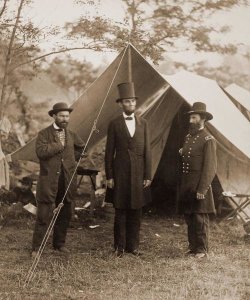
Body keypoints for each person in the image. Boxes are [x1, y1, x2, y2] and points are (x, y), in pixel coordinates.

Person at [105, 82, 152, 258]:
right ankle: (119, 247)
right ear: (120, 104)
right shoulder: (114, 124)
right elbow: (109, 152)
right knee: (121, 211)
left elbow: (148, 150)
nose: (131, 104)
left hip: (139, 173)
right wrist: (109, 175)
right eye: (127, 101)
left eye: (133, 101)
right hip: (120, 173)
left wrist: (148, 174)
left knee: (136, 211)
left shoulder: (144, 123)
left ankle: (134, 247)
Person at [31, 102, 85, 257]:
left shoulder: (72, 134)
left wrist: (72, 160)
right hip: (49, 181)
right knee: (44, 213)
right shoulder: (44, 134)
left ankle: (59, 244)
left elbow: (82, 148)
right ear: (54, 116)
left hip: (67, 179)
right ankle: (37, 247)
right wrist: (58, 145)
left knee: (65, 211)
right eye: (61, 115)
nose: (65, 119)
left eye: (67, 116)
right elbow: (41, 152)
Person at [179, 102, 217, 259]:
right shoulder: (189, 137)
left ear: (203, 119)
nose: (190, 121)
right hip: (187, 183)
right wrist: (182, 152)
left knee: (199, 217)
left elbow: (210, 167)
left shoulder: (208, 139)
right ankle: (193, 247)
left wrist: (202, 189)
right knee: (189, 216)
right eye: (190, 118)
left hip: (199, 184)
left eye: (194, 118)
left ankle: (202, 249)